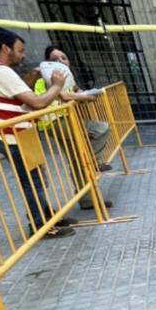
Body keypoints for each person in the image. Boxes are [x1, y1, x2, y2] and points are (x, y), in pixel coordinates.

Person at [0, 27, 73, 238]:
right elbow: (38, 102)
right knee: (32, 179)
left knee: (36, 176)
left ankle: (46, 214)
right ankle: (40, 224)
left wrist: (32, 77)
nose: (23, 55)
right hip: (10, 133)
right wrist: (57, 85)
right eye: (20, 50)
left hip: (15, 132)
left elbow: (15, 94)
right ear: (6, 48)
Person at [33, 45, 114, 209]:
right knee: (100, 129)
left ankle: (87, 199)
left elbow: (77, 91)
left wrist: (88, 94)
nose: (60, 62)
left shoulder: (68, 78)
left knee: (77, 159)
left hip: (61, 120)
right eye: (54, 59)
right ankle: (94, 162)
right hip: (55, 121)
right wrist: (85, 96)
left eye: (63, 58)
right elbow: (64, 95)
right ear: (47, 63)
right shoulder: (47, 78)